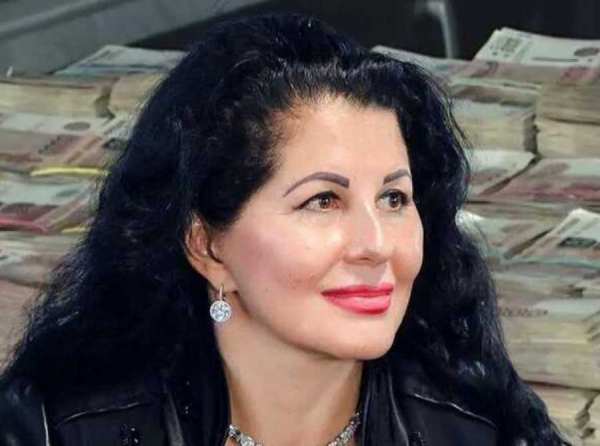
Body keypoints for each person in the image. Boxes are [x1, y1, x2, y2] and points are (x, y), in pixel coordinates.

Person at [0, 12, 569, 446]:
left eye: (394, 198)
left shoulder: (476, 428)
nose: (376, 246)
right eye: (323, 201)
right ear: (206, 246)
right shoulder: (56, 428)